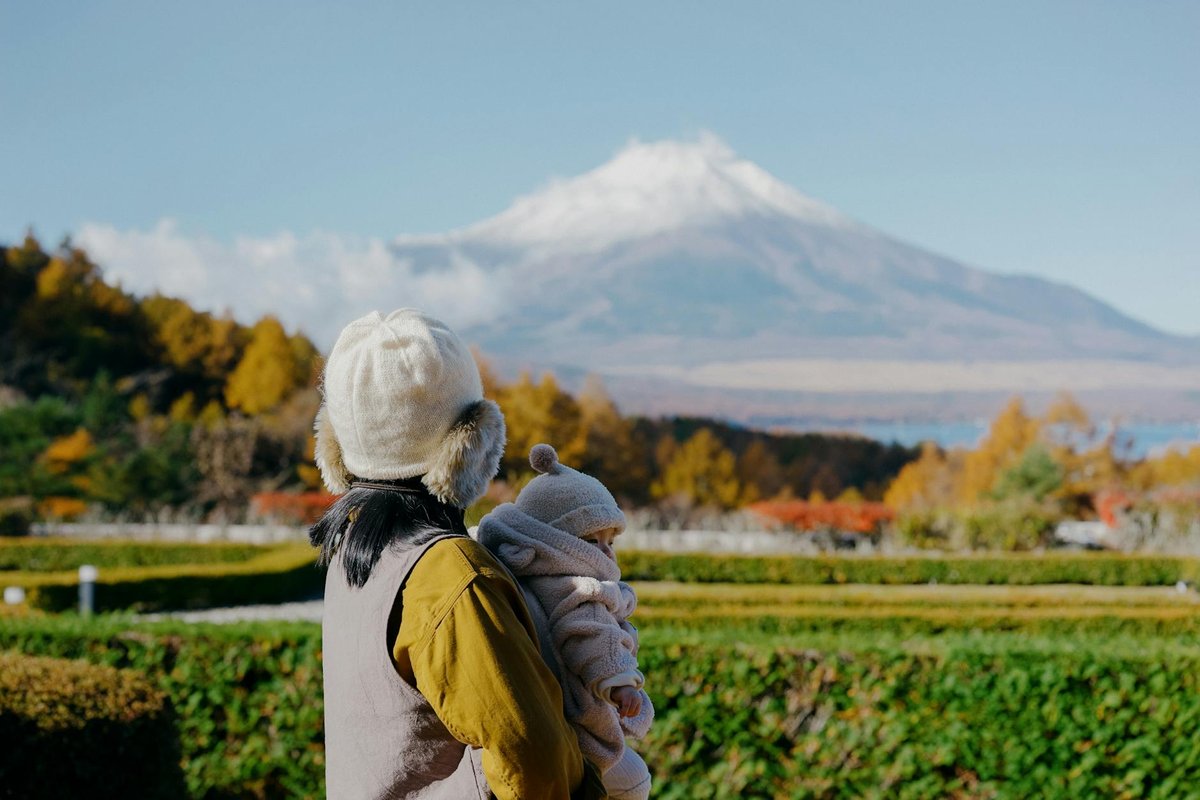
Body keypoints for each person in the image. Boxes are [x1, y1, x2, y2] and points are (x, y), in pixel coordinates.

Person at [309, 309, 607, 800]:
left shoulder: (354, 549)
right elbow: (535, 760)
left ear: (337, 445)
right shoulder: (452, 574)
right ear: (470, 447)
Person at [476, 443, 654, 800]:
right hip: (578, 727)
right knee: (635, 781)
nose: (604, 551)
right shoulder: (579, 589)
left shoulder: (529, 571)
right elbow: (592, 636)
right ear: (553, 537)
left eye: (610, 541)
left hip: (545, 720)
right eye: (590, 539)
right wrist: (619, 682)